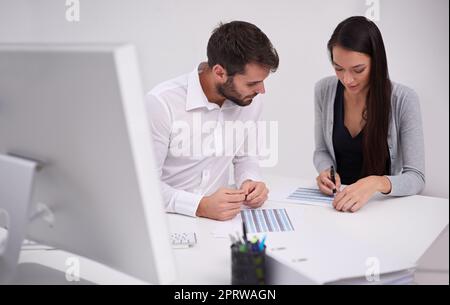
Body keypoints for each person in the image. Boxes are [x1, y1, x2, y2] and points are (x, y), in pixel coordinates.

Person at [146, 21, 279, 220]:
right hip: (167, 218)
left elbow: (245, 157)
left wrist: (250, 181)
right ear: (219, 72)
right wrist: (199, 206)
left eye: (262, 81)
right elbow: (144, 185)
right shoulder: (161, 103)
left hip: (221, 221)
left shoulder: (250, 100)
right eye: (252, 83)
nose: (261, 90)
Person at [314, 16, 425, 212]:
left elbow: (416, 177)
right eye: (338, 68)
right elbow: (321, 151)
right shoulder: (324, 90)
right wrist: (326, 171)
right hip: (337, 205)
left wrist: (376, 183)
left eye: (358, 70)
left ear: (377, 62)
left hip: (382, 208)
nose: (347, 79)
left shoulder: (404, 99)